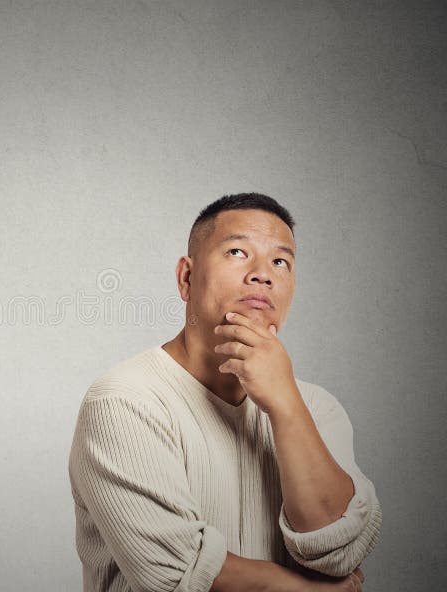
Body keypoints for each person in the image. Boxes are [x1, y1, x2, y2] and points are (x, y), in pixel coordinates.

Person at [68, 194, 382, 592]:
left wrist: (285, 404)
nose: (262, 275)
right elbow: (173, 573)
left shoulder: (317, 408)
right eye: (237, 252)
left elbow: (339, 550)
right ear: (186, 278)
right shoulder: (125, 401)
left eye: (280, 262)